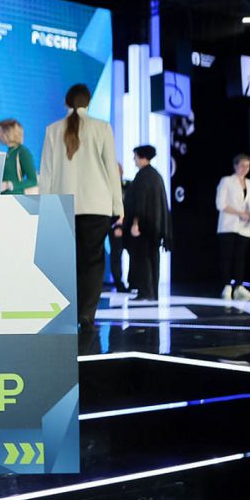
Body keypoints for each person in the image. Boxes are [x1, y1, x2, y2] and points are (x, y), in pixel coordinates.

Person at [39, 84, 123, 330]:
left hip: (63, 204)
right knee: (93, 261)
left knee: (68, 262)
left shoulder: (52, 130)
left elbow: (46, 173)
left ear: (66, 102)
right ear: (88, 102)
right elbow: (111, 169)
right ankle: (87, 313)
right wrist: (118, 206)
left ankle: (68, 312)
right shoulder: (102, 128)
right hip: (97, 205)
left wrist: (45, 206)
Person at [123, 145, 171, 301]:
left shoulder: (143, 176)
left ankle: (145, 291)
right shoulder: (156, 176)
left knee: (143, 258)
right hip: (155, 227)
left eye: (135, 156)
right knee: (153, 258)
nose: (134, 159)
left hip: (144, 227)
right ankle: (153, 292)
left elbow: (139, 202)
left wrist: (135, 223)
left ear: (142, 157)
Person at [216, 154, 250, 301]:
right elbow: (220, 204)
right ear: (235, 166)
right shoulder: (226, 181)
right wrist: (240, 213)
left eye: (247, 166)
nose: (245, 168)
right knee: (227, 256)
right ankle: (227, 286)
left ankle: (239, 286)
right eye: (242, 165)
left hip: (245, 226)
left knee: (240, 258)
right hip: (228, 225)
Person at [0, 118, 38, 194]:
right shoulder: (8, 153)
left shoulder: (22, 152)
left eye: (0, 132)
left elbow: (33, 181)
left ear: (8, 133)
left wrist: (8, 185)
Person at [110, 163, 129, 292]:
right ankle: (117, 282)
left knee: (122, 252)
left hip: (126, 225)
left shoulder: (127, 186)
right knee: (116, 254)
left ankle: (129, 281)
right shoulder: (107, 188)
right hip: (112, 224)